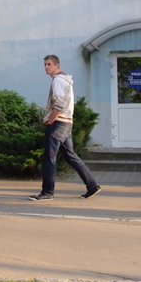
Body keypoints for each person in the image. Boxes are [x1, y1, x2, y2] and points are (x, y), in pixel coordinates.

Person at [29, 55, 102, 201]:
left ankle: (47, 192)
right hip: (66, 123)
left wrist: (50, 121)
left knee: (49, 158)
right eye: (45, 64)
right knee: (71, 156)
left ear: (57, 65)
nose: (46, 67)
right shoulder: (65, 80)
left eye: (49, 64)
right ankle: (92, 186)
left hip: (58, 124)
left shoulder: (58, 80)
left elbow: (59, 104)